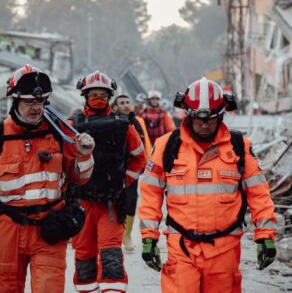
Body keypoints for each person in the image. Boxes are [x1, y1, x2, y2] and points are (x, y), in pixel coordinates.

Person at [138, 77, 277, 293]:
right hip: (181, 248)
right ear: (187, 115)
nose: (204, 125)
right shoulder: (167, 146)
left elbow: (258, 193)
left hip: (225, 250)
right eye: (199, 120)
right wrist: (149, 237)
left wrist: (265, 235)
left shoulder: (238, 147)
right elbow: (150, 193)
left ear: (221, 116)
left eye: (211, 120)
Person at [0, 64, 95, 293]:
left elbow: (78, 179)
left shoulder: (60, 133)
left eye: (40, 102)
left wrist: (85, 156)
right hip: (6, 231)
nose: (36, 108)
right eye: (29, 102)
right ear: (15, 101)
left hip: (50, 229)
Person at [69, 71, 146, 293]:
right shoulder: (74, 123)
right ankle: (87, 289)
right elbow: (63, 156)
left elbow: (139, 157)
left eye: (103, 94)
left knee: (111, 252)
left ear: (110, 95)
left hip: (111, 203)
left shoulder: (123, 124)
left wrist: (124, 182)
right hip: (82, 202)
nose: (98, 98)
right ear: (85, 94)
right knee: (83, 254)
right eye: (93, 94)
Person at [112, 94, 152, 252]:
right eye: (121, 103)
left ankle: (127, 235)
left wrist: (146, 163)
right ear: (115, 107)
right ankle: (115, 232)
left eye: (128, 102)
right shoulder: (110, 121)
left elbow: (145, 142)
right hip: (113, 169)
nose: (126, 105)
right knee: (114, 200)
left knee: (131, 199)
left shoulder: (138, 121)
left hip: (132, 168)